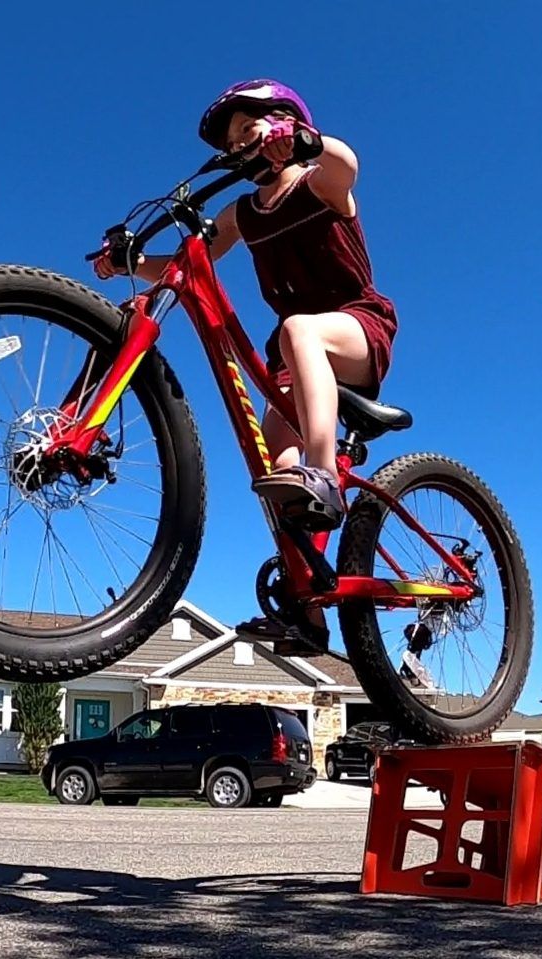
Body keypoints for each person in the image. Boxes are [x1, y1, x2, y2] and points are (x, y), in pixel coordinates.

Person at [94, 79, 398, 655]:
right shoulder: (242, 212)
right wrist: (129, 262)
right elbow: (191, 259)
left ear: (285, 121)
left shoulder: (320, 185)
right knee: (274, 469)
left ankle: (324, 472)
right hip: (295, 359)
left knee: (298, 328)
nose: (241, 143)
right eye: (233, 140)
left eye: (251, 127)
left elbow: (347, 165)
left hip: (357, 327)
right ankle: (307, 610)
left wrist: (305, 141)